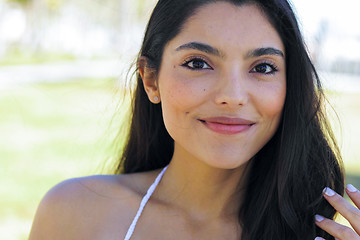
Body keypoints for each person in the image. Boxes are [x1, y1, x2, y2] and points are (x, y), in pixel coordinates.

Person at [28, 0, 360, 239]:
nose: (232, 95)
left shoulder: (319, 232)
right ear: (150, 81)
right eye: (198, 63)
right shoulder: (73, 213)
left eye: (262, 68)